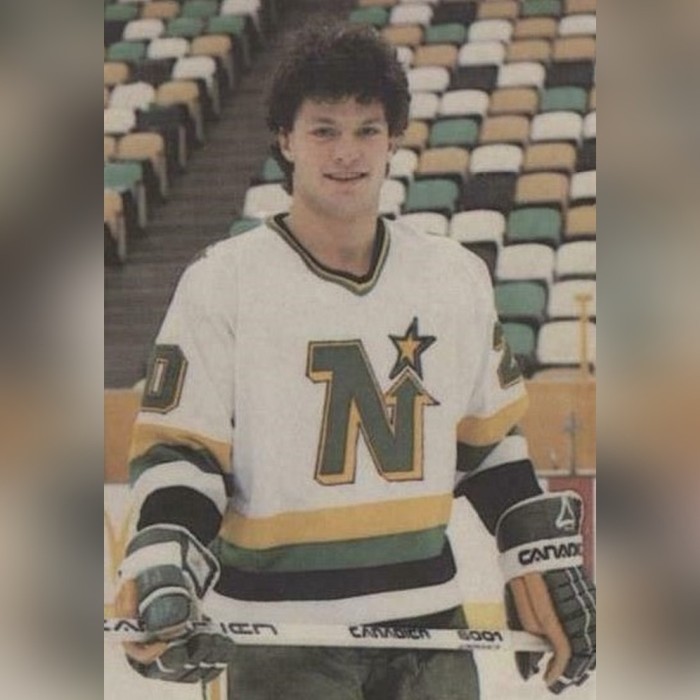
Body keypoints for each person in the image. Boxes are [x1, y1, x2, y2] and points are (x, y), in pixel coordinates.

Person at [116, 21, 595, 699]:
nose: (347, 151)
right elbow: (183, 455)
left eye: (367, 129)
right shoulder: (223, 282)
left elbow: (488, 444)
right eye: (324, 130)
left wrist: (534, 548)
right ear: (286, 139)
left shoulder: (453, 276)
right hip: (281, 640)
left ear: (393, 138)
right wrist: (166, 558)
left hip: (432, 631)